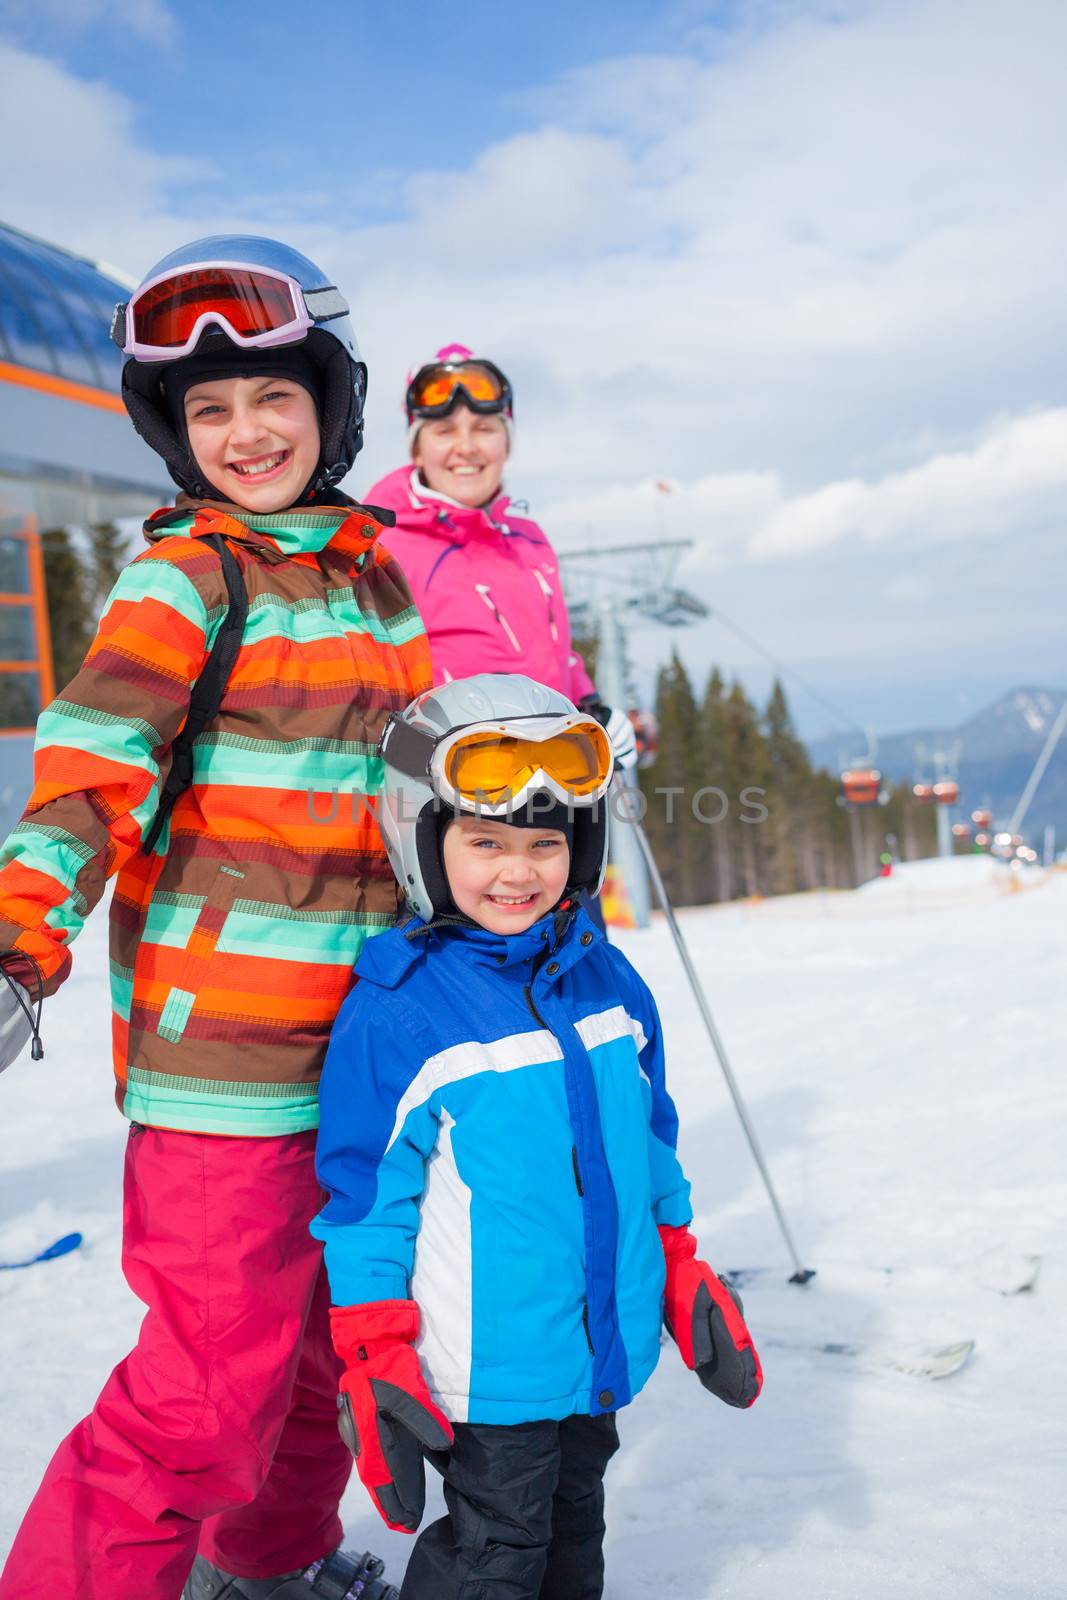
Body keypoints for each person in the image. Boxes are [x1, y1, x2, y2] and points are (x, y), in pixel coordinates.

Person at [0, 235, 430, 1600]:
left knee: (316, 1358)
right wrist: (19, 941)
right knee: (200, 1394)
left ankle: (273, 1565)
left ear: (330, 404)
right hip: (222, 1077)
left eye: (272, 397)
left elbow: (420, 805)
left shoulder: (375, 585)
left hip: (357, 1058)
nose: (245, 432)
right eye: (209, 410)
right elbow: (85, 776)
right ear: (174, 435)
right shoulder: (184, 582)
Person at [312, 673, 764, 1599]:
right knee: (496, 1554)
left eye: (543, 844)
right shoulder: (401, 1013)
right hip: (489, 1372)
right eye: (484, 843)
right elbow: (362, 1203)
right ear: (424, 840)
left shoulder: (607, 983)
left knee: (574, 1531)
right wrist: (372, 1349)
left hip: (595, 1344)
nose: (517, 872)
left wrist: (676, 1263)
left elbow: (647, 1142)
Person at [364, 345, 637, 772]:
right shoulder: (385, 546)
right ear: (417, 449)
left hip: (553, 776)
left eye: (485, 428)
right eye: (444, 431)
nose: (467, 448)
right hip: (456, 791)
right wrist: (422, 762)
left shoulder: (529, 541)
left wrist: (591, 706)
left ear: (507, 442)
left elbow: (554, 651)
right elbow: (366, 687)